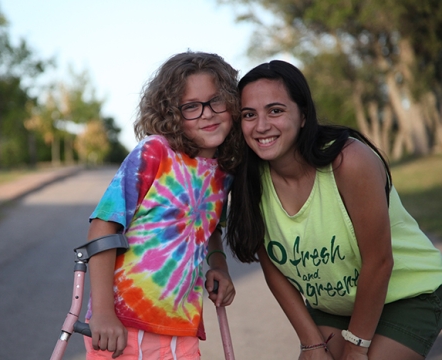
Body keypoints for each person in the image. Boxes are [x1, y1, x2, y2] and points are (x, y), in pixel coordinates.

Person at [226, 60, 442, 360]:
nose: (261, 126)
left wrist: (356, 347)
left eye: (275, 110)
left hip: (406, 294)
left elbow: (379, 261)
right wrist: (310, 343)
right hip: (336, 307)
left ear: (303, 115)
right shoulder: (249, 181)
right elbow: (273, 270)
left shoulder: (348, 161)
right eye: (249, 115)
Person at [84, 51, 242, 360]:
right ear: (171, 112)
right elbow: (103, 226)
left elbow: (209, 228)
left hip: (182, 328)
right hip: (121, 327)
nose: (207, 114)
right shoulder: (155, 152)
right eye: (191, 107)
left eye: (216, 101)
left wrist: (219, 266)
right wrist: (102, 312)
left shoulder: (224, 171)